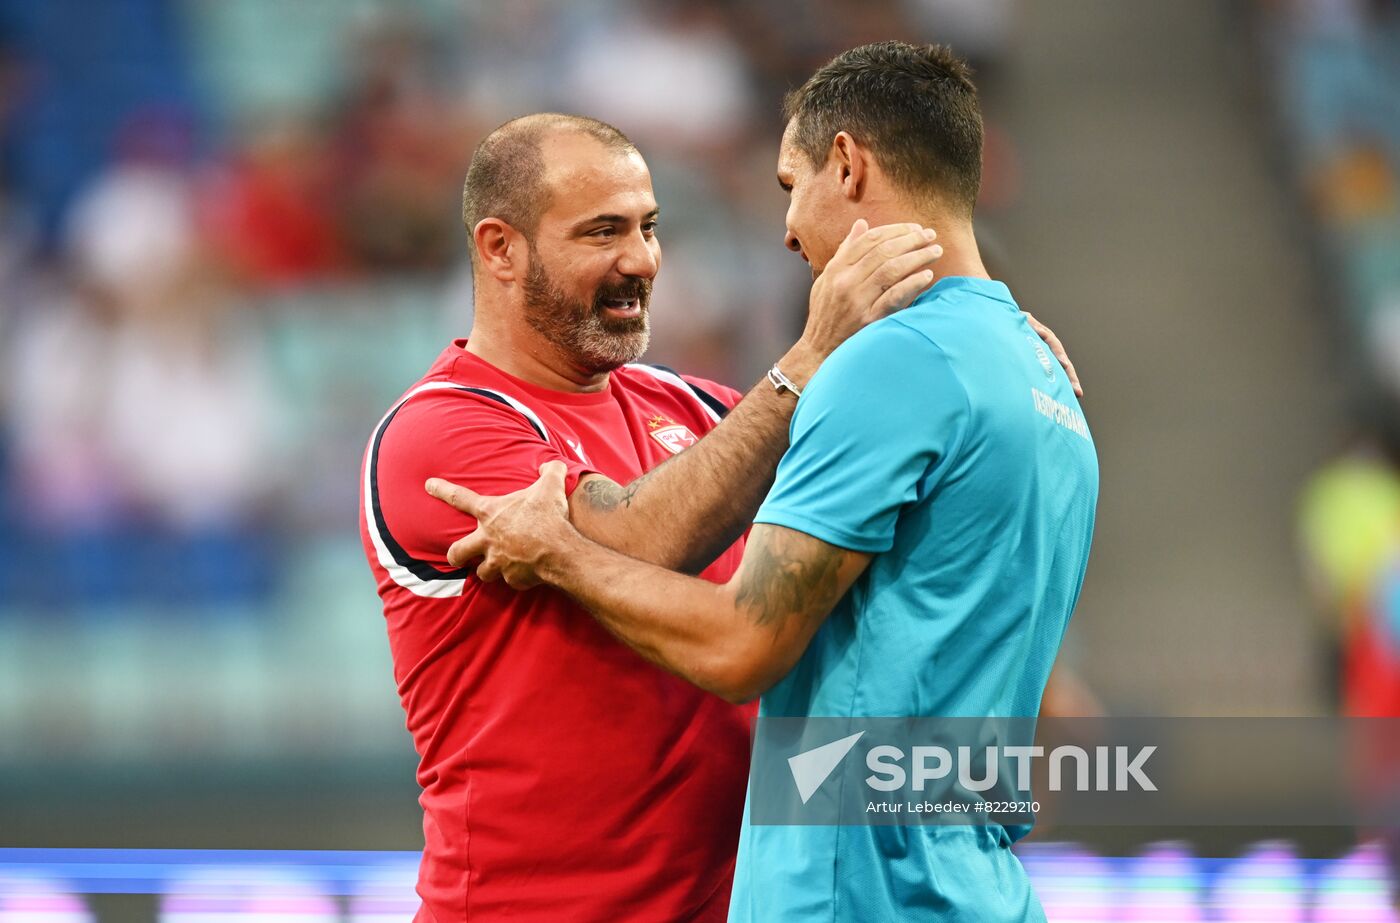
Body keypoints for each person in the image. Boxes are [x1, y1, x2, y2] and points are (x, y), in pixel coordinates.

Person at [426, 43, 1098, 922]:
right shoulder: (1041, 375)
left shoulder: (884, 368)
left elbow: (743, 645)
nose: (785, 229)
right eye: (607, 229)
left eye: (792, 185)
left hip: (856, 891)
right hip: (978, 888)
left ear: (848, 165)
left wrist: (556, 552)